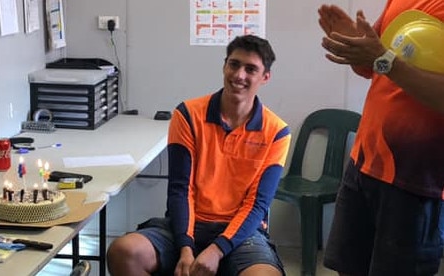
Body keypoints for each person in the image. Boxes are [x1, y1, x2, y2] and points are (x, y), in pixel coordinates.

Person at [106, 34, 291, 276]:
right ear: (224, 65)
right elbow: (180, 189)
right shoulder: (188, 115)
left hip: (242, 233)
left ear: (265, 77)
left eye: (251, 69)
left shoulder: (277, 131)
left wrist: (217, 249)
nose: (239, 75)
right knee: (123, 252)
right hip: (185, 226)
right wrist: (185, 247)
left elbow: (257, 206)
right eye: (234, 64)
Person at [318, 1, 444, 275]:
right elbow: (373, 66)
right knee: (348, 268)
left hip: (417, 182)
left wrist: (383, 59)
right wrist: (354, 45)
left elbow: (385, 62)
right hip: (363, 165)